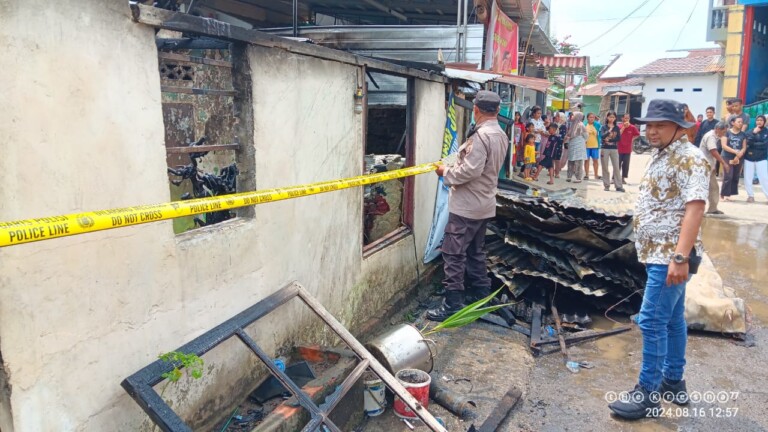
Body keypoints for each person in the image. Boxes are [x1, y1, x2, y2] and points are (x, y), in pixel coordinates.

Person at [608, 99, 709, 420]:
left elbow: (695, 207)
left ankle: (647, 394)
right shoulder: (662, 154)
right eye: (649, 125)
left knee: (651, 320)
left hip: (671, 256)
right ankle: (673, 382)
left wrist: (680, 256)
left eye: (660, 125)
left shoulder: (691, 158)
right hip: (658, 252)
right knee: (673, 318)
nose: (651, 131)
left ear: (680, 128)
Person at [428, 90, 509, 321]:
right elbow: (473, 162)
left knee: (453, 254)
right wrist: (449, 163)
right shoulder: (500, 134)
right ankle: (481, 295)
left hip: (466, 207)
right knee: (475, 252)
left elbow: (470, 170)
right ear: (497, 110)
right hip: (483, 204)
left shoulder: (481, 137)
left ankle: (453, 304)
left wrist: (445, 172)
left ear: (476, 110)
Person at [700, 122, 730, 215]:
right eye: (723, 132)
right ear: (718, 129)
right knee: (708, 188)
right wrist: (724, 163)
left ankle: (712, 209)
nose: (724, 134)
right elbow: (713, 151)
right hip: (704, 167)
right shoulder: (710, 137)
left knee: (713, 187)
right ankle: (706, 209)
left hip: (708, 166)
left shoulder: (715, 136)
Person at [720, 116, 747, 201]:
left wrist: (739, 155)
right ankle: (723, 194)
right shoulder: (726, 133)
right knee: (728, 176)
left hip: (738, 157)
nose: (740, 123)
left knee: (735, 175)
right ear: (733, 123)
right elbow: (724, 145)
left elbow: (744, 147)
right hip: (727, 156)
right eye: (738, 122)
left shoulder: (743, 134)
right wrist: (735, 152)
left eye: (741, 122)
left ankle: (730, 194)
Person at [744, 115, 768, 203]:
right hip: (749, 157)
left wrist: (753, 143)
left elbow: (764, 144)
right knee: (748, 177)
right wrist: (754, 133)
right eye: (758, 120)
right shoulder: (750, 132)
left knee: (764, 178)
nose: (759, 122)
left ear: (764, 122)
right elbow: (747, 142)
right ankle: (750, 196)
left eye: (761, 120)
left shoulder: (767, 132)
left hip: (761, 158)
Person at [600, 111, 624, 192]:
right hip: (605, 148)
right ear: (607, 117)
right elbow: (602, 136)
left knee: (616, 167)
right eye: (610, 117)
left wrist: (610, 139)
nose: (612, 119)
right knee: (605, 167)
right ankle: (606, 185)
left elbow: (618, 138)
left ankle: (618, 186)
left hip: (614, 149)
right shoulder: (603, 127)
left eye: (613, 117)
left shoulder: (617, 127)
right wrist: (609, 131)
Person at [565, 112, 588, 183]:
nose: (572, 116)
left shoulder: (581, 125)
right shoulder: (572, 125)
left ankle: (578, 177)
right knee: (571, 160)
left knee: (578, 161)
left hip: (579, 145)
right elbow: (569, 134)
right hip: (572, 144)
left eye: (573, 115)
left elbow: (586, 136)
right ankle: (569, 176)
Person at [619, 113, 640, 182]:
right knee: (617, 164)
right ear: (622, 119)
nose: (626, 119)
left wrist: (632, 139)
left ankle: (623, 178)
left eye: (628, 118)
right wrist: (624, 127)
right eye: (625, 118)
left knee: (625, 164)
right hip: (619, 148)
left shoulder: (632, 127)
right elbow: (618, 134)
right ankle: (614, 177)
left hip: (627, 149)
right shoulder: (619, 126)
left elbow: (637, 134)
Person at [584, 112, 601, 180]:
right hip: (586, 146)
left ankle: (596, 175)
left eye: (593, 117)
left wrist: (598, 120)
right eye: (590, 117)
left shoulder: (597, 124)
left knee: (595, 161)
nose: (592, 119)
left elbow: (602, 128)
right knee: (586, 160)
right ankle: (587, 175)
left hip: (595, 145)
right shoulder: (584, 124)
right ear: (587, 118)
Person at [556, 112, 569, 178]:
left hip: (559, 144)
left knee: (558, 159)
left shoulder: (563, 126)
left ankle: (557, 172)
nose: (556, 118)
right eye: (556, 116)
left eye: (558, 116)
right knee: (553, 158)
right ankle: (552, 171)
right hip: (554, 143)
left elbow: (562, 136)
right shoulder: (556, 125)